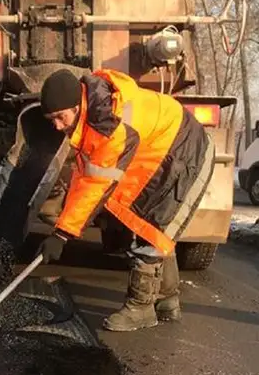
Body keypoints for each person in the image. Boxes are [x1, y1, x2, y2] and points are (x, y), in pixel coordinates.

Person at [36, 68, 215, 332]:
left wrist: (62, 235)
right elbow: (85, 179)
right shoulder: (92, 113)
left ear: (77, 106)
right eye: (52, 120)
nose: (57, 126)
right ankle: (166, 301)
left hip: (185, 152)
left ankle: (141, 308)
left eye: (61, 117)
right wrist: (62, 229)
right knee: (150, 225)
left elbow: (96, 185)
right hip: (164, 149)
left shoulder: (105, 122)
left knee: (149, 225)